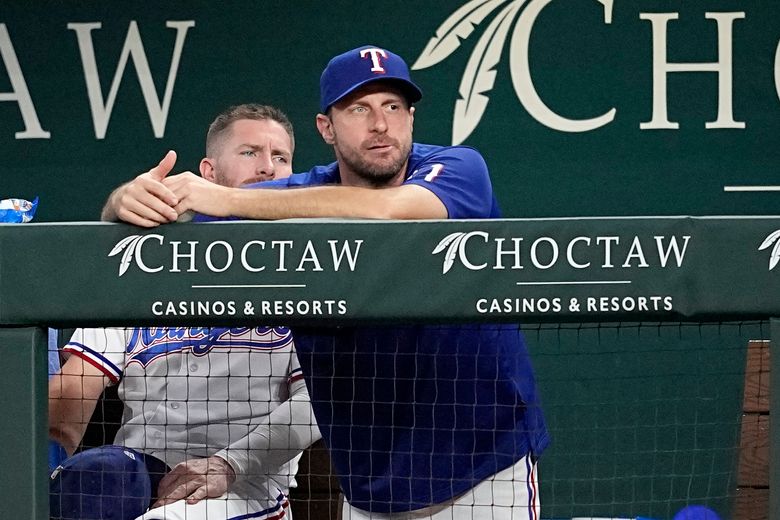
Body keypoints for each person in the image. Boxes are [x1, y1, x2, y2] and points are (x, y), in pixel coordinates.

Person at [104, 46, 550, 519]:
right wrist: (125, 199)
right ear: (327, 128)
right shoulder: (296, 196)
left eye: (393, 107)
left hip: (483, 468)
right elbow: (152, 220)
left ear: (411, 117)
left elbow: (393, 211)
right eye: (359, 109)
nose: (380, 124)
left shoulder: (458, 170)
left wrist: (228, 198)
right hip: (371, 484)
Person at [51, 104, 321, 520]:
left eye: (281, 157)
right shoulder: (148, 266)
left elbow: (317, 401)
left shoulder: (307, 269)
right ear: (208, 173)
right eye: (250, 152)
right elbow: (71, 396)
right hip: (138, 479)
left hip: (244, 487)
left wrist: (230, 464)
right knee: (98, 475)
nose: (269, 168)